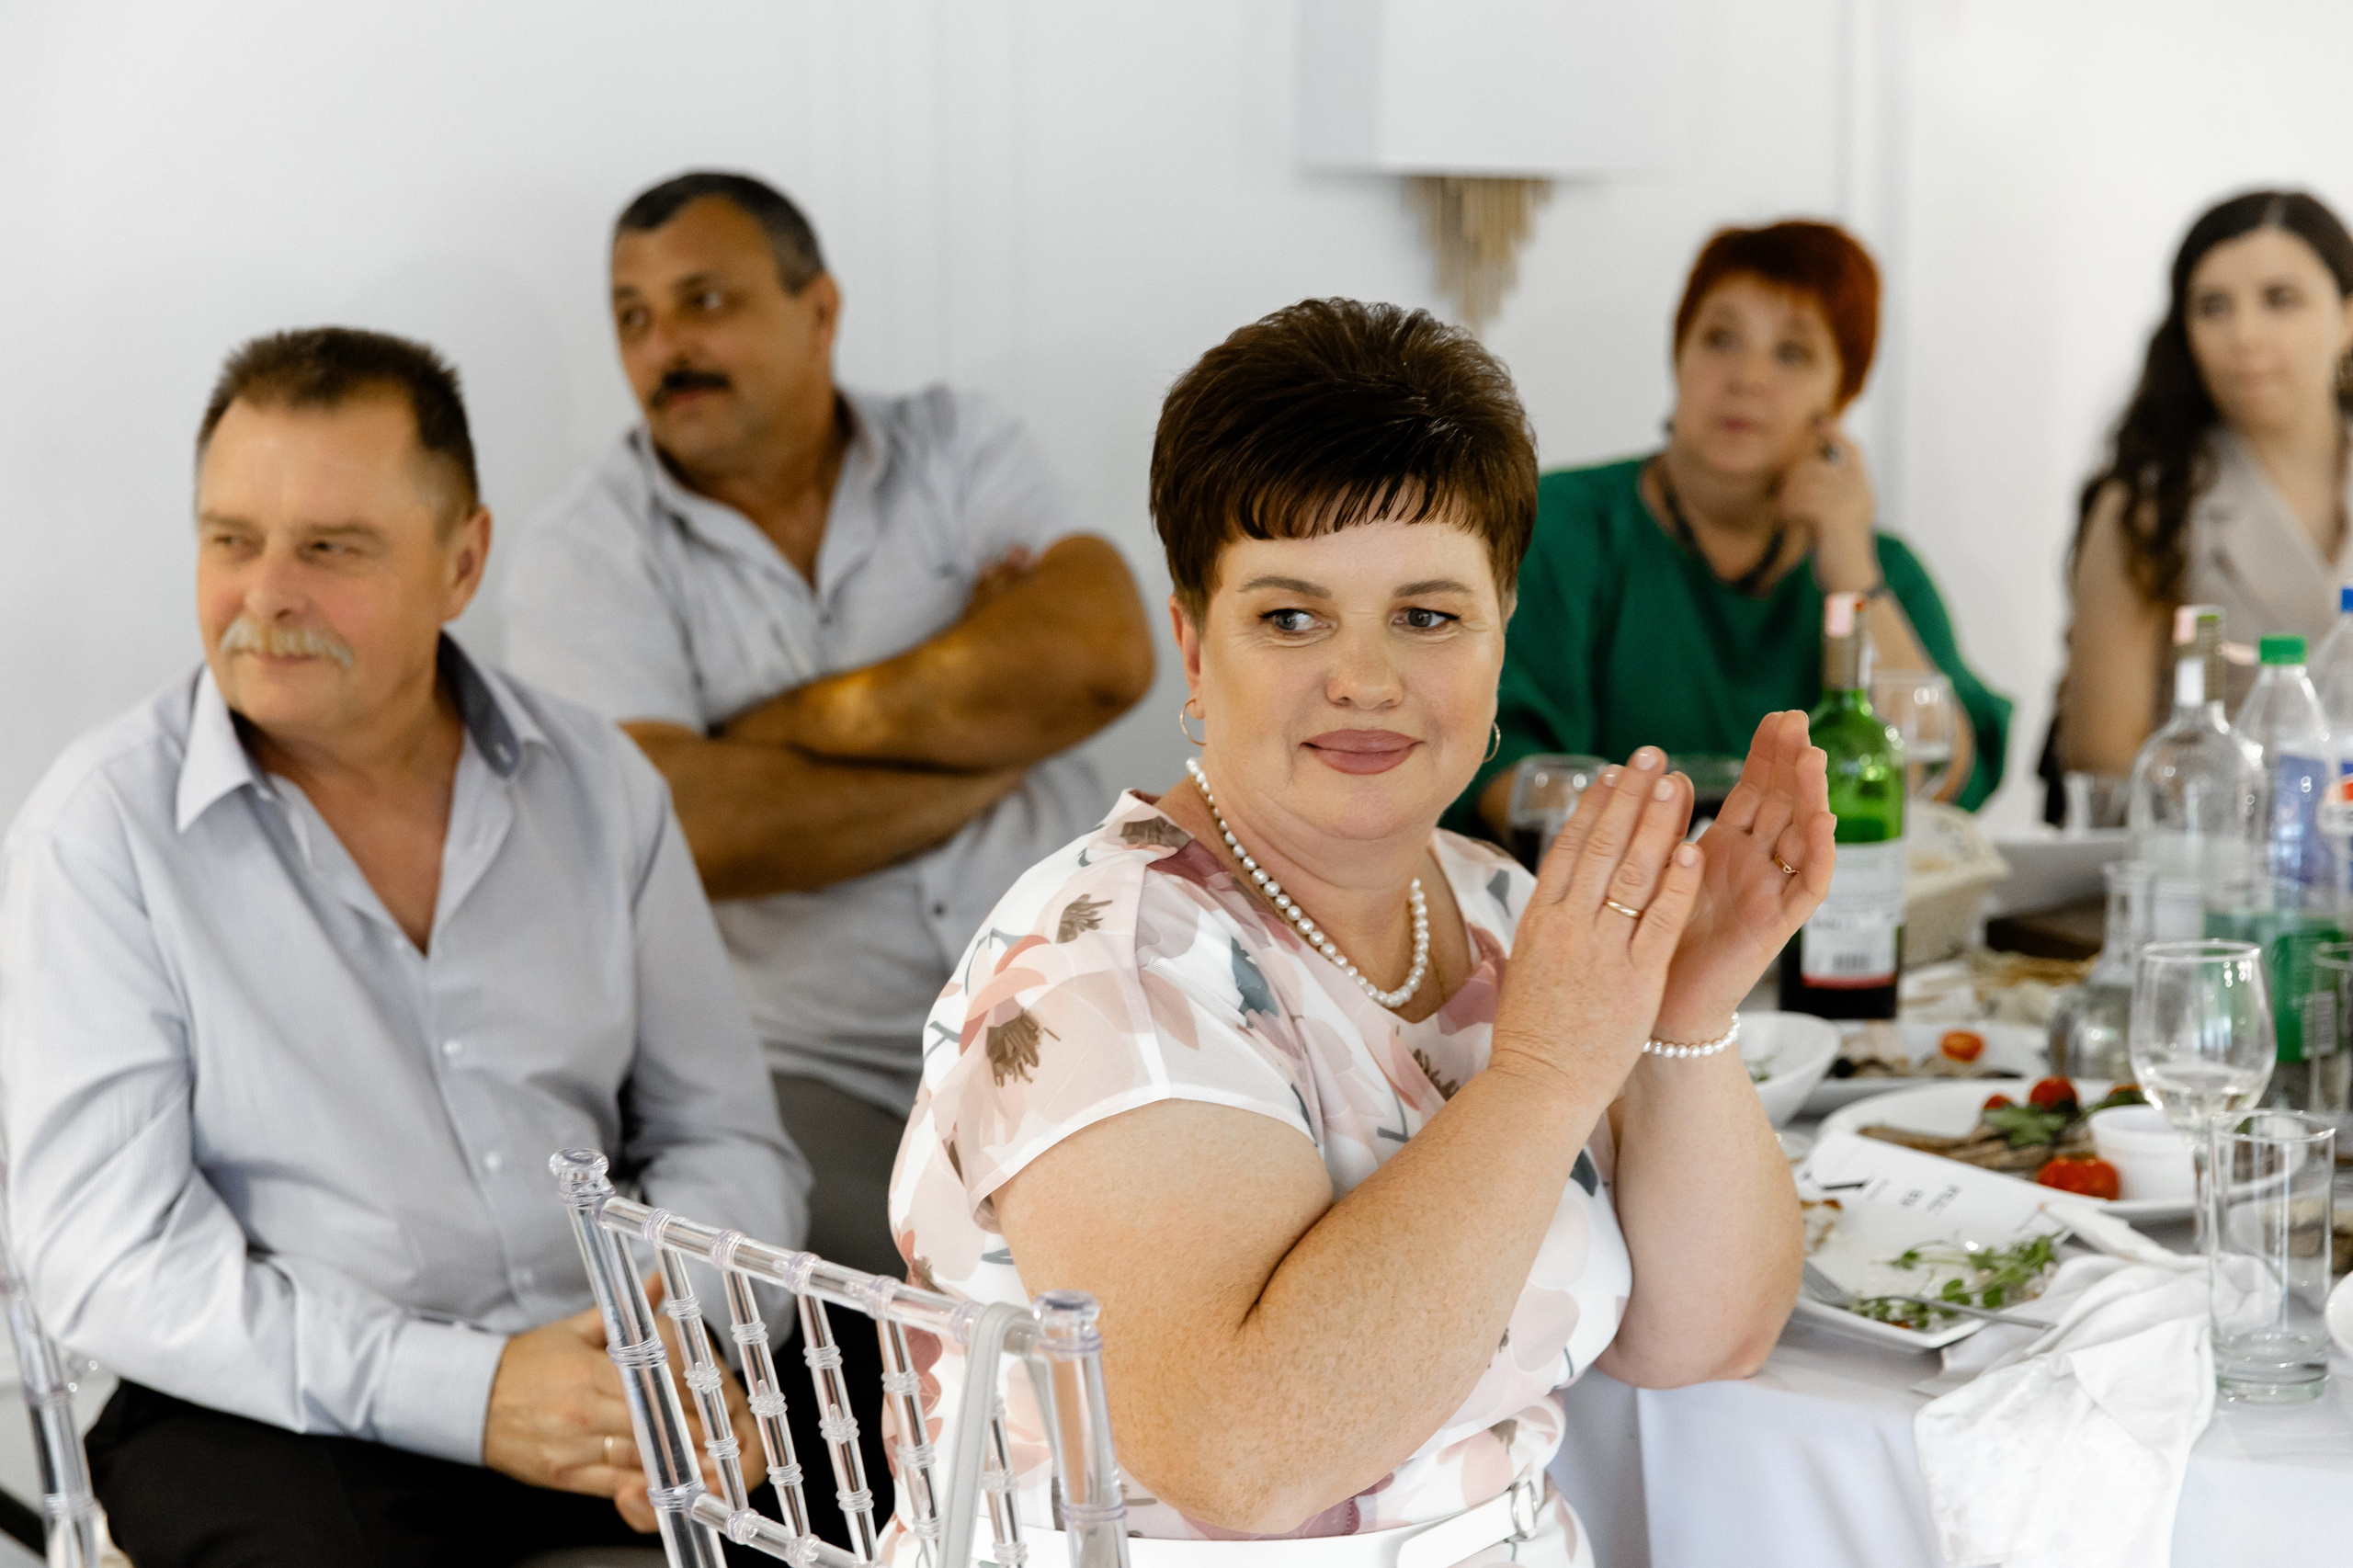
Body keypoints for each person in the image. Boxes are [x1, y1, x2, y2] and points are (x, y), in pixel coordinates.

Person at [886, 300, 1821, 1564]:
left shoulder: (1494, 904)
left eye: (1428, 615)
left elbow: (1704, 1336)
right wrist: (1545, 1077)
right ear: (1194, 652)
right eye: (1291, 615)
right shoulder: (1102, 963)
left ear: (1502, 640)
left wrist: (1680, 1013)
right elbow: (1247, 1459)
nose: (1366, 677)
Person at [0, 328, 805, 1567]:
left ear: (462, 560)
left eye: (330, 547)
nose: (266, 593)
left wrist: (655, 1351)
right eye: (231, 538)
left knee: (952, 1460)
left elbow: (725, 1140)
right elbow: (114, 1262)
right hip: (281, 1405)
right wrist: (477, 1394)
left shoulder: (599, 784)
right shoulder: (98, 830)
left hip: (619, 1365)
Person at [504, 172, 1154, 1288]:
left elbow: (1105, 656)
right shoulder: (584, 555)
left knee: (1207, 1251)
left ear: (819, 311)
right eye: (633, 317)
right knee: (989, 1297)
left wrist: (782, 732)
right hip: (820, 1072)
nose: (665, 347)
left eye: (704, 301)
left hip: (1084, 988)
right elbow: (695, 827)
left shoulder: (957, 444)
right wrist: (999, 720)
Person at [1452, 220, 2008, 844]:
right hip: (1594, 897)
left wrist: (1853, 577)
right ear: (1679, 359)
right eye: (1720, 339)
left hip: (1814, 914)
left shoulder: (1882, 568)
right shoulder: (1562, 525)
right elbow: (1495, 763)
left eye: (1792, 353)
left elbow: (1942, 777)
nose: (1746, 377)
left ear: (1841, 397)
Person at [2055, 189, 2353, 790]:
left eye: (2280, 299)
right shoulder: (2147, 508)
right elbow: (2099, 756)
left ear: (2347, 317)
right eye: (2213, 306)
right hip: (2213, 859)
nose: (2244, 334)